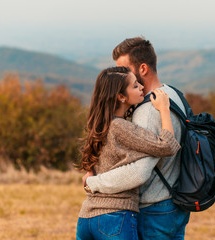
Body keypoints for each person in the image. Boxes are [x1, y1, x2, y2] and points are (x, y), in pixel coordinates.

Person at [84, 37, 191, 239]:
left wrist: (94, 182)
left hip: (153, 209)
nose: (120, 76)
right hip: (176, 204)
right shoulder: (173, 94)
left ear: (142, 69)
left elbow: (139, 172)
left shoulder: (148, 111)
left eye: (124, 70)